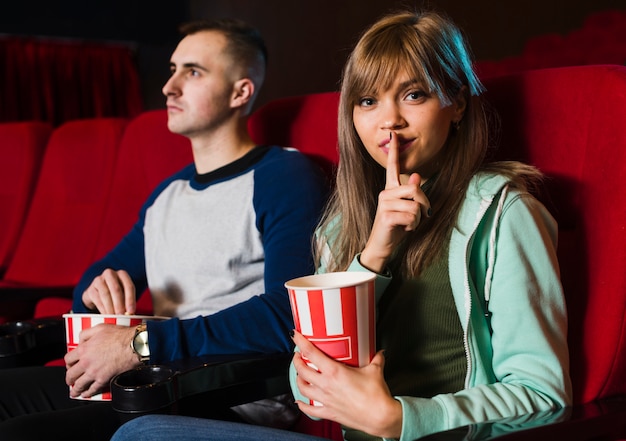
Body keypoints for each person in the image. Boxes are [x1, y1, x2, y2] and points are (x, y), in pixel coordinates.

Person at [110, 9, 572, 441]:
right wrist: (372, 256)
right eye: (368, 100)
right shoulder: (341, 225)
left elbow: (545, 396)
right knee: (141, 428)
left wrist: (400, 418)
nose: (389, 120)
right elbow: (307, 389)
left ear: (456, 104)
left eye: (414, 94)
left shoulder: (503, 211)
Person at [0, 18, 328, 441]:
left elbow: (287, 315)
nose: (169, 87)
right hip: (150, 378)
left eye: (193, 72)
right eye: (172, 70)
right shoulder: (167, 195)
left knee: (23, 435)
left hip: (227, 395)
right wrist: (101, 288)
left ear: (240, 91)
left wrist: (136, 342)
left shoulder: (283, 175)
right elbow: (92, 281)